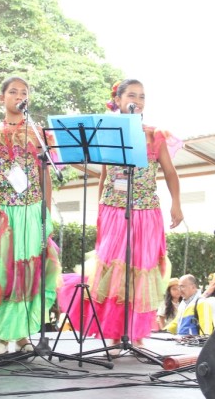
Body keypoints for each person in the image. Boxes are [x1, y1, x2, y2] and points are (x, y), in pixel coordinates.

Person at [61, 79, 183, 348]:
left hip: (146, 212)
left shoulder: (155, 135)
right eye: (131, 95)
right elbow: (104, 176)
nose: (137, 100)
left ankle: (136, 333)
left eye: (141, 96)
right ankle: (115, 334)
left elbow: (171, 173)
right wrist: (100, 210)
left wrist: (176, 204)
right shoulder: (108, 133)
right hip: (114, 210)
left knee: (141, 270)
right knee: (115, 272)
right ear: (117, 100)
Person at [0, 76, 62, 354]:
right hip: (3, 212)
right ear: (1, 98)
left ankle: (21, 334)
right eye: (13, 91)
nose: (19, 96)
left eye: (24, 92)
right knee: (1, 271)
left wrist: (45, 209)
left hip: (32, 210)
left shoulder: (38, 133)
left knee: (28, 271)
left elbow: (46, 174)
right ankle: (3, 335)